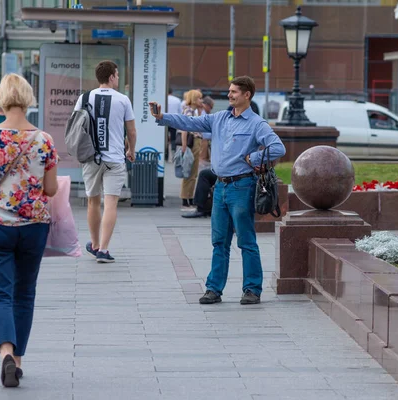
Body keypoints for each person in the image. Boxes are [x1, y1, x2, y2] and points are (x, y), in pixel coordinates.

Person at [150, 76, 286, 305]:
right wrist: (162, 118)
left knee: (246, 240)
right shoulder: (220, 118)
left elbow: (277, 147)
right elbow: (190, 123)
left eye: (234, 92)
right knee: (219, 241)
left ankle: (252, 289)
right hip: (221, 187)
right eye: (229, 91)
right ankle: (214, 289)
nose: (230, 95)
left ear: (247, 95)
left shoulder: (256, 124)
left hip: (242, 186)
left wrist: (252, 157)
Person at [0, 73, 58, 388]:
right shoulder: (44, 139)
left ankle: (6, 351)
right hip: (34, 226)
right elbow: (50, 189)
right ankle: (18, 361)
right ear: (28, 97)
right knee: (25, 293)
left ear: (1, 98)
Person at [74, 60, 137, 263]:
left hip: (91, 158)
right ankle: (104, 249)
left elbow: (76, 126)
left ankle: (94, 244)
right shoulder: (123, 100)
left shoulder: (84, 97)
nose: (118, 78)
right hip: (115, 158)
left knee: (92, 201)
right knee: (110, 203)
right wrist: (131, 149)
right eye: (117, 75)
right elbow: (132, 131)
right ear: (111, 77)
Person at [178, 89, 204, 211]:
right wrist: (184, 146)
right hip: (192, 142)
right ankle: (186, 199)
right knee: (189, 171)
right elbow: (184, 128)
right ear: (194, 99)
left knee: (193, 172)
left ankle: (189, 198)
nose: (201, 100)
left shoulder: (195, 111)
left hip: (195, 141)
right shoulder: (189, 111)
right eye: (199, 98)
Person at [167, 88, 182, 158]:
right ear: (172, 92)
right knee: (173, 138)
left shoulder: (163, 99)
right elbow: (180, 112)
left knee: (165, 138)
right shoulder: (177, 100)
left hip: (164, 120)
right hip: (174, 120)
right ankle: (173, 154)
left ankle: (166, 154)